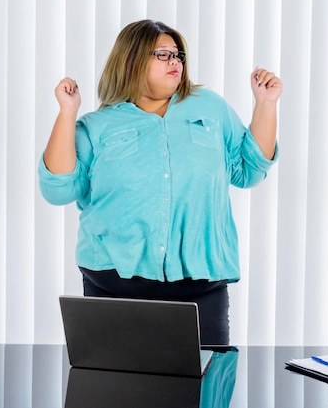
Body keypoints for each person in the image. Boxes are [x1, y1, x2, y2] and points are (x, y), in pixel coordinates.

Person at [38, 19, 282, 345]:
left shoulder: (210, 109)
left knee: (204, 390)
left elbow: (249, 170)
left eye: (178, 55)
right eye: (163, 54)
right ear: (132, 60)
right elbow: (58, 189)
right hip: (113, 285)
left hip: (200, 286)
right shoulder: (97, 126)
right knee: (113, 392)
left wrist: (265, 104)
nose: (175, 61)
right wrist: (67, 113)